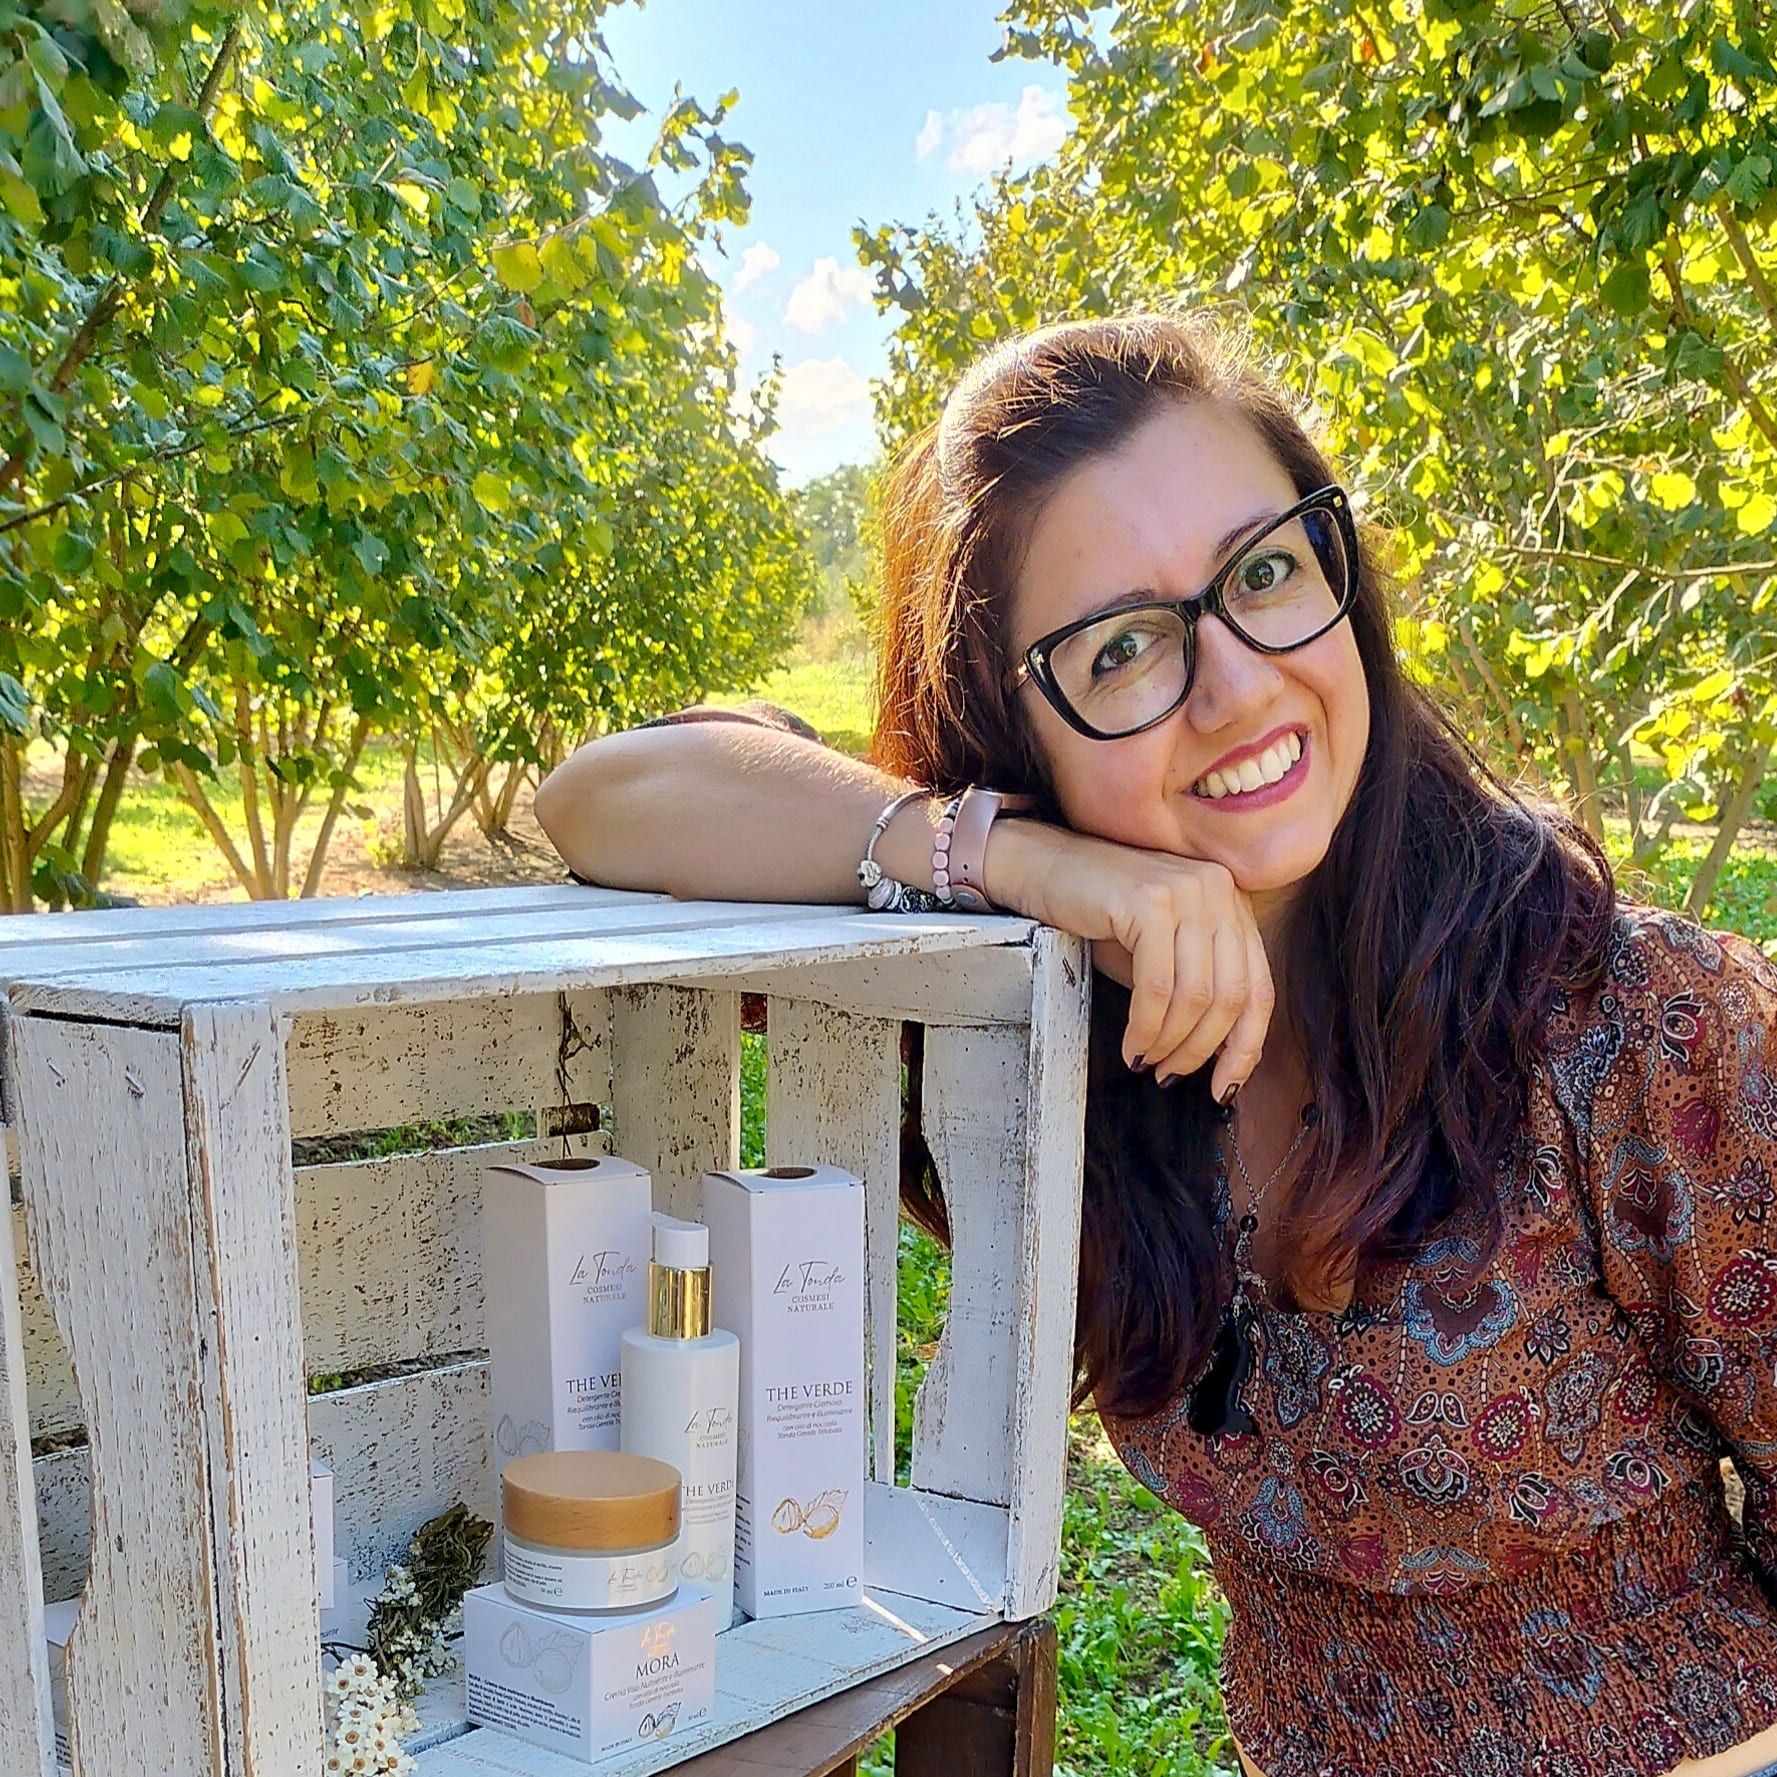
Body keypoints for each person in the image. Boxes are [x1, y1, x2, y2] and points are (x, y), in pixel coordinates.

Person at [532, 313, 1777, 1777]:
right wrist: (1026, 863)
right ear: (1010, 730)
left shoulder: (1625, 1021)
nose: (1239, 687)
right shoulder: (1050, 1025)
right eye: (1122, 648)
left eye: (1265, 573)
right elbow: (607, 793)